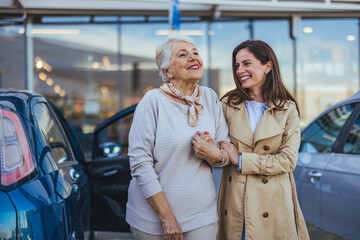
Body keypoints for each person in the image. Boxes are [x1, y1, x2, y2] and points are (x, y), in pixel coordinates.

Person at [193, 40, 310, 240]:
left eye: (247, 63)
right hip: (237, 201)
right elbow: (216, 151)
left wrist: (240, 160)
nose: (240, 71)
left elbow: (288, 160)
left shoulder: (287, 109)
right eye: (237, 65)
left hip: (273, 203)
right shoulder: (227, 104)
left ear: (268, 66)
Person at [125, 32, 230, 240]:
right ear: (167, 71)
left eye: (195, 53)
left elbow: (224, 149)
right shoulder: (152, 101)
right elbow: (139, 162)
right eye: (182, 55)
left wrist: (214, 154)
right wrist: (167, 218)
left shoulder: (209, 97)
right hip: (152, 221)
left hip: (202, 216)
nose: (192, 57)